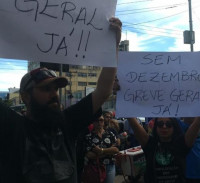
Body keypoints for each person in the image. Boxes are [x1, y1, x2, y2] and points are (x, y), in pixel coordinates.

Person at [0, 17, 122, 183]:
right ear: (25, 96)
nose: (54, 94)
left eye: (56, 89)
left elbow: (103, 91)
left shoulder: (66, 123)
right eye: (45, 89)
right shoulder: (12, 127)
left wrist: (112, 45)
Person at [83, 115, 120, 183]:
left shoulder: (110, 134)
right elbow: (89, 155)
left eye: (101, 120)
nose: (99, 122)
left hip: (109, 166)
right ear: (93, 122)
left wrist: (101, 151)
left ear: (103, 122)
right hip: (95, 168)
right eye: (97, 120)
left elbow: (116, 150)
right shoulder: (88, 137)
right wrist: (108, 151)